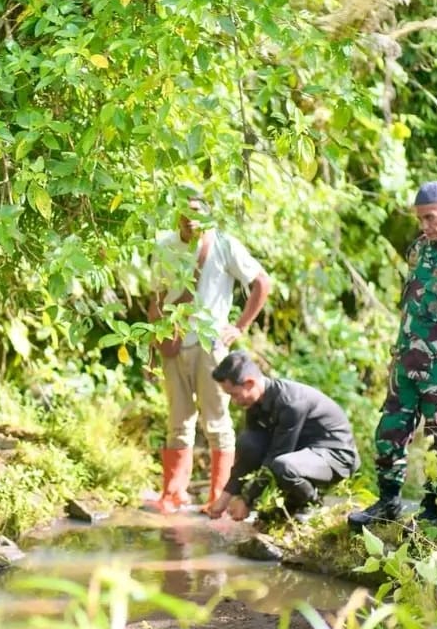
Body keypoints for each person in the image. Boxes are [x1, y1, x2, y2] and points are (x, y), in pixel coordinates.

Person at [349, 181, 437, 529]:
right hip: (406, 367)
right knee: (388, 434)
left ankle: (431, 515)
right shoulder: (420, 249)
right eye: (420, 220)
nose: (424, 227)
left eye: (430, 218)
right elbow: (412, 307)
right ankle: (389, 503)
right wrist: (397, 356)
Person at [146, 194, 272, 513]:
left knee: (217, 422)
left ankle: (219, 495)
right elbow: (157, 297)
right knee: (178, 421)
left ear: (207, 217)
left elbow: (261, 282)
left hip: (209, 344)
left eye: (196, 215)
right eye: (184, 214)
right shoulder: (165, 244)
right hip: (173, 342)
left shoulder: (224, 245)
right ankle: (173, 493)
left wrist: (239, 327)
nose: (189, 221)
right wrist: (156, 339)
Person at [206, 351, 360, 522]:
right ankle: (292, 503)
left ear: (250, 383)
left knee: (282, 466)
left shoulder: (291, 403)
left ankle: (311, 502)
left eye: (235, 394)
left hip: (335, 457)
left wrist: (247, 500)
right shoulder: (255, 404)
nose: (234, 401)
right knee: (248, 443)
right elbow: (249, 454)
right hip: (305, 453)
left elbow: (276, 456)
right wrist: (225, 498)